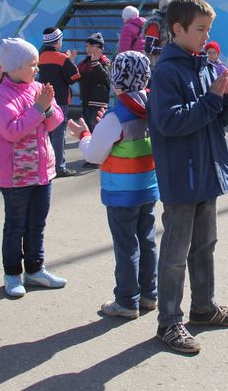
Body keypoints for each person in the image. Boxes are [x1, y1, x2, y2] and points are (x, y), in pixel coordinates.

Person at [147, 0, 228, 354]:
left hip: (207, 171)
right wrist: (211, 101)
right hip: (181, 176)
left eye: (209, 29)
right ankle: (169, 322)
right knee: (176, 251)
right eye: (201, 29)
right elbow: (170, 122)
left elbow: (215, 121)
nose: (207, 36)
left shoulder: (206, 65)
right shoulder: (166, 71)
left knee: (205, 245)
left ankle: (204, 308)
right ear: (177, 30)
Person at [68, 51, 159, 319]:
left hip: (121, 192)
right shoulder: (154, 107)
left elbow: (94, 154)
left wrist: (85, 134)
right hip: (148, 187)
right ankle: (148, 294)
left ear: (116, 79)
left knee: (126, 245)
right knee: (147, 241)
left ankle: (126, 301)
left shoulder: (115, 117)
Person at [0, 38, 68, 298]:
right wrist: (39, 109)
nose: (37, 69)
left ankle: (35, 269)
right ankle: (12, 273)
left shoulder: (37, 88)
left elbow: (56, 120)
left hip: (42, 171)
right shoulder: (1, 96)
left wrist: (46, 108)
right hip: (16, 176)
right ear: (14, 68)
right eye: (32, 64)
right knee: (15, 226)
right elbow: (12, 131)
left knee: (37, 224)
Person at [38, 26, 80, 177]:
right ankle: (59, 166)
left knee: (46, 133)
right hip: (60, 99)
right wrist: (71, 60)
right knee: (59, 133)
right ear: (57, 42)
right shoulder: (61, 58)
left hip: (44, 99)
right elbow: (74, 77)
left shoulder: (40, 57)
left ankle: (46, 163)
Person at [77, 32, 111, 137]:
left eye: (91, 46)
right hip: (86, 103)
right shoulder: (83, 63)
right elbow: (75, 78)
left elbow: (106, 77)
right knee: (89, 134)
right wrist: (70, 64)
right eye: (87, 46)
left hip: (98, 105)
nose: (88, 49)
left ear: (100, 48)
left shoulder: (105, 62)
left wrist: (96, 63)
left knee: (99, 134)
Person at [142, 0, 175, 69]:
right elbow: (149, 48)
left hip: (169, 65)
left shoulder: (172, 23)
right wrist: (169, 50)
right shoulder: (155, 24)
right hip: (156, 66)